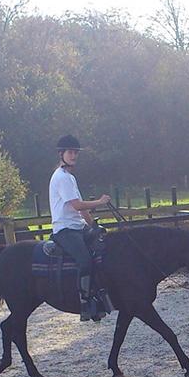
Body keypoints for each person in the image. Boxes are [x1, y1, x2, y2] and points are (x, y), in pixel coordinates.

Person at [49, 135, 112, 321]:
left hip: (78, 226)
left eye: (76, 152)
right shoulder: (61, 177)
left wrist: (93, 225)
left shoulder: (69, 177)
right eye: (70, 152)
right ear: (61, 154)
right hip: (66, 229)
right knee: (84, 260)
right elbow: (77, 205)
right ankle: (85, 302)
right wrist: (100, 202)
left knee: (103, 250)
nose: (74, 155)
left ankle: (102, 295)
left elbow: (81, 209)